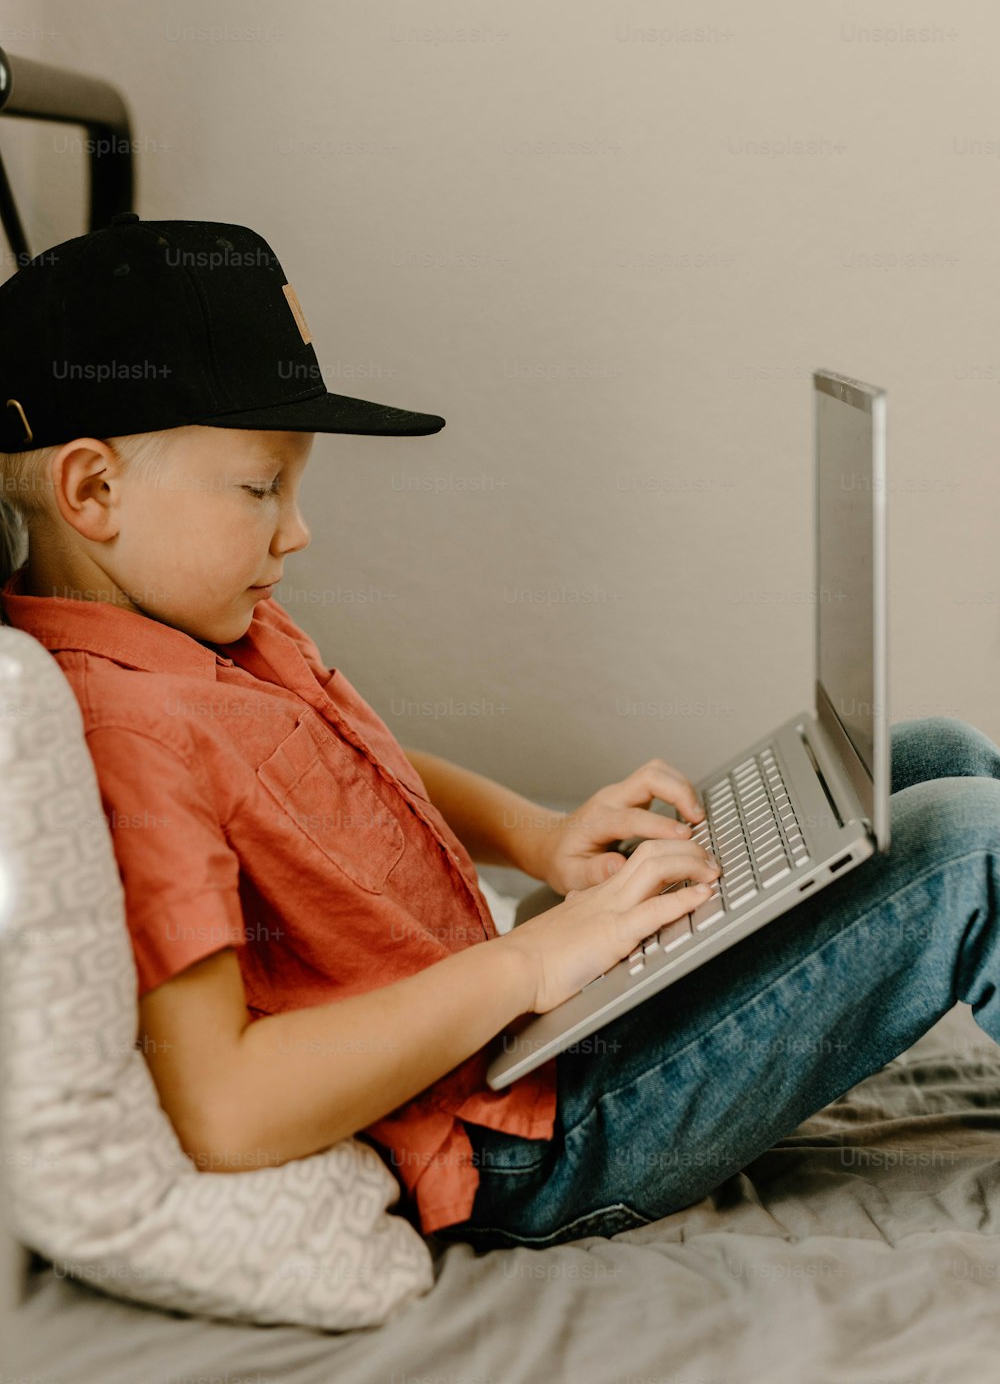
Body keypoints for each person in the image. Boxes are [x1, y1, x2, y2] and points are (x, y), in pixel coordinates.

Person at [1, 214, 999, 1256]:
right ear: (94, 489)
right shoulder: (126, 736)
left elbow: (352, 770)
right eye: (262, 489)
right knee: (970, 843)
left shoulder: (207, 622)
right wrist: (527, 967)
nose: (298, 532)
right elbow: (225, 1107)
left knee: (936, 754)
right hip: (534, 1133)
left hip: (533, 1028)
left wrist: (538, 838)